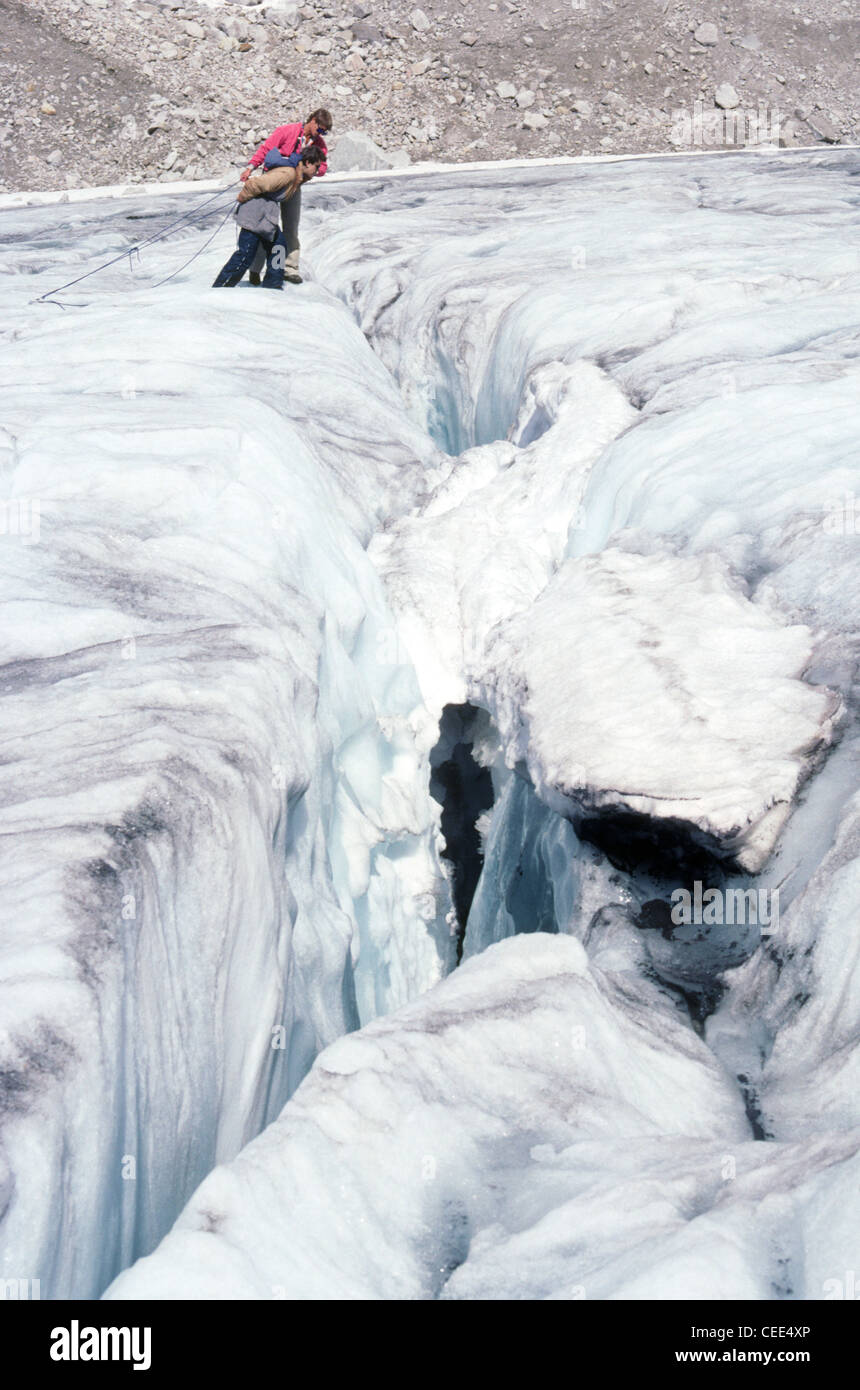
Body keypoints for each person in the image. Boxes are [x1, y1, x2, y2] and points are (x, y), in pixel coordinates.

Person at [240, 108, 332, 286]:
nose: (321, 134)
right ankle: (255, 270)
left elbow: (323, 167)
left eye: (324, 132)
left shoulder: (319, 145)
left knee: (291, 229)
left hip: (294, 188)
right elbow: (266, 149)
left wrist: (311, 167)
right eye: (320, 129)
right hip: (274, 186)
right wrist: (250, 167)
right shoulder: (286, 131)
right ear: (312, 120)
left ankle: (290, 269)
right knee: (265, 228)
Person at [212, 147, 321, 289]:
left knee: (279, 246)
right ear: (307, 162)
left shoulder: (296, 175)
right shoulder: (287, 174)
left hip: (265, 218)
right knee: (245, 255)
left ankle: (273, 285)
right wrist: (242, 197)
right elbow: (255, 184)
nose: (317, 171)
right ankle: (221, 288)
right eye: (316, 167)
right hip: (255, 216)